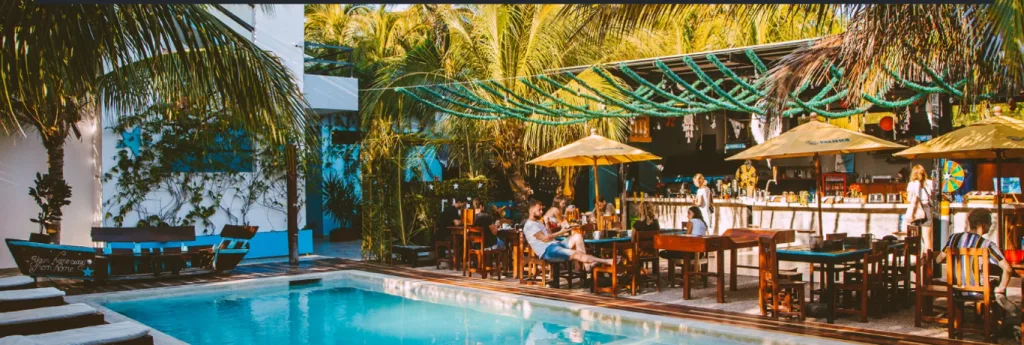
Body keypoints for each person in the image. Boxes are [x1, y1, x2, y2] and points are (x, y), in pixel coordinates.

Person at [934, 208, 1020, 320]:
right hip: (978, 292)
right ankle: (1002, 308)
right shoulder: (987, 245)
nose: (990, 227)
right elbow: (1007, 269)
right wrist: (1001, 288)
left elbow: (938, 260)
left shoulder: (953, 239)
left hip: (955, 290)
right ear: (982, 224)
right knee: (995, 286)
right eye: (989, 223)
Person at [522, 199, 613, 267]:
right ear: (531, 210)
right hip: (548, 251)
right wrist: (561, 232)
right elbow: (545, 239)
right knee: (575, 254)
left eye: (542, 209)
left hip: (555, 244)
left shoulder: (538, 222)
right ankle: (606, 261)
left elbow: (548, 234)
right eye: (539, 210)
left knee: (577, 236)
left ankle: (586, 265)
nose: (541, 212)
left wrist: (546, 223)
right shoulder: (530, 225)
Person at [904, 164, 935, 250]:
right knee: (927, 238)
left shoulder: (911, 184)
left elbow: (909, 199)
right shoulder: (930, 182)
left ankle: (917, 260)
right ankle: (928, 261)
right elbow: (931, 196)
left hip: (916, 210)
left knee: (916, 238)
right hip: (926, 209)